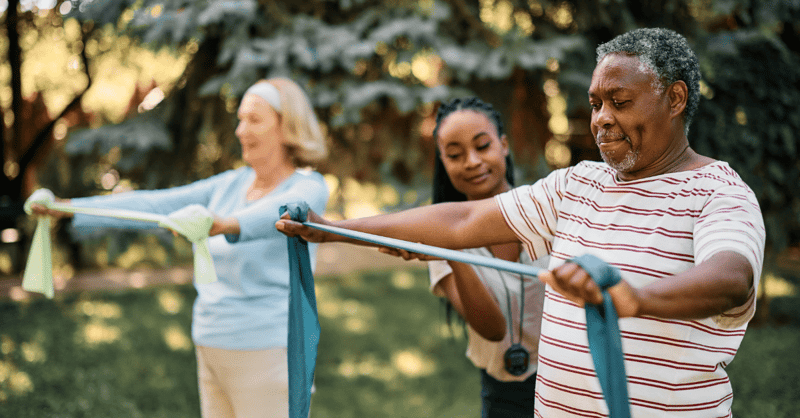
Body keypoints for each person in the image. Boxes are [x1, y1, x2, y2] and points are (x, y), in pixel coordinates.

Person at [277, 28, 765, 417]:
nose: (600, 119)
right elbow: (464, 218)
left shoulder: (720, 193)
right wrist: (332, 227)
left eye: (619, 101)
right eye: (595, 103)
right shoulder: (579, 184)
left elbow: (731, 277)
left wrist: (634, 297)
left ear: (675, 99)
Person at [32, 78, 330, 418]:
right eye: (240, 118)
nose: (240, 129)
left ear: (286, 127)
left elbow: (287, 212)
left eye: (255, 120)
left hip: (269, 351)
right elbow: (157, 205)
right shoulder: (231, 184)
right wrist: (68, 207)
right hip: (210, 343)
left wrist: (224, 224)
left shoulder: (308, 186)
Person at [382, 97, 548, 417]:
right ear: (443, 162)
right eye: (455, 155)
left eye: (482, 146)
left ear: (504, 145)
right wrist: (451, 250)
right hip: (504, 395)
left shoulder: (544, 212)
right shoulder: (440, 244)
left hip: (570, 379)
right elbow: (492, 329)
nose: (471, 162)